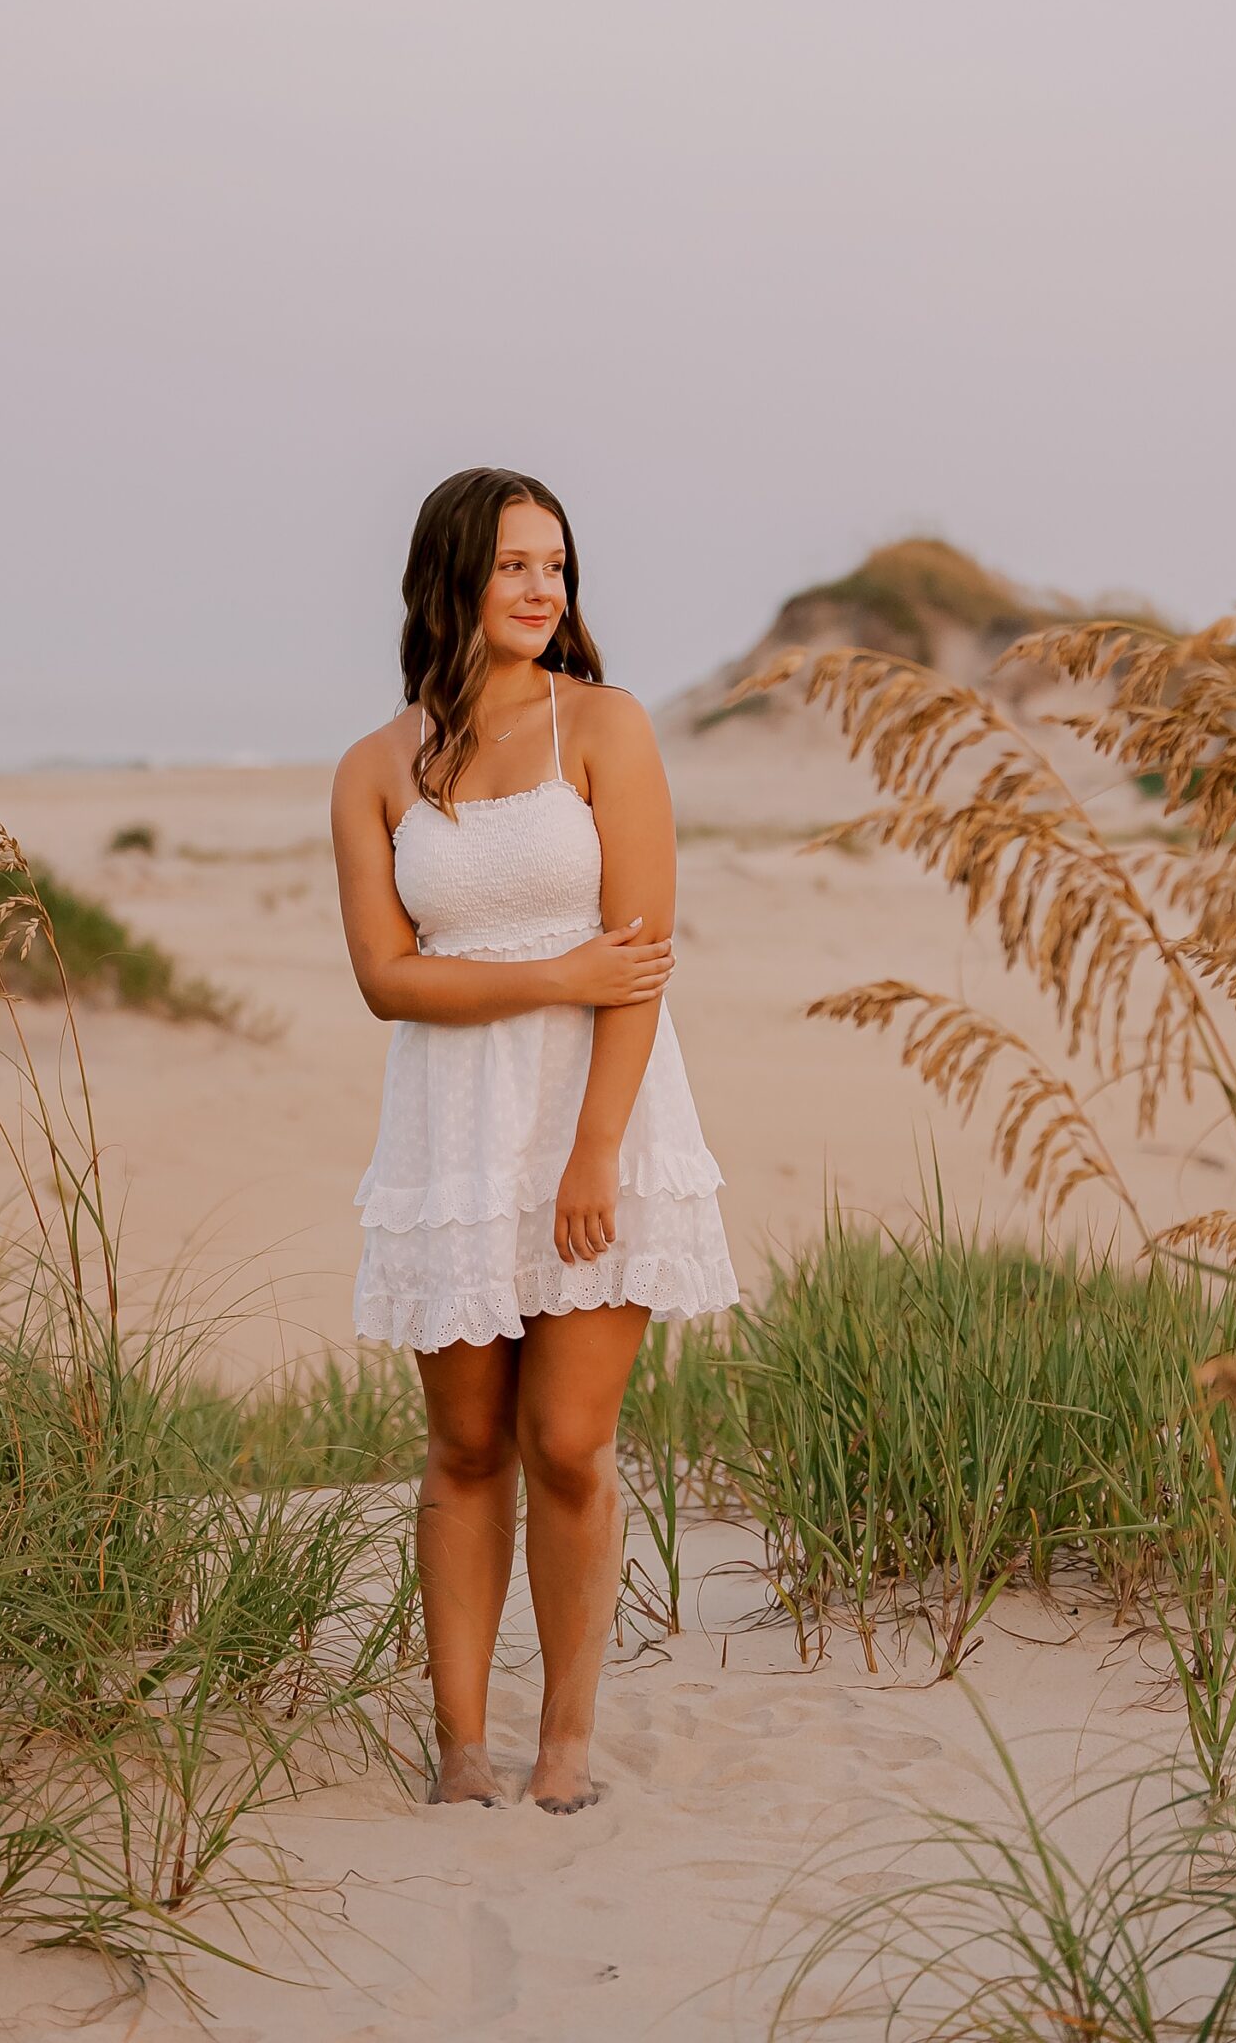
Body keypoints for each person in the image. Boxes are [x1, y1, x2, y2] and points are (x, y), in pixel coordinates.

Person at [331, 467, 738, 1810]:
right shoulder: (376, 769)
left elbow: (643, 960)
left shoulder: (606, 729)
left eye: (555, 567)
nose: (541, 589)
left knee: (565, 1439)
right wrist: (555, 976)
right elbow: (388, 979)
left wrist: (593, 1151)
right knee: (461, 1448)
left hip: (592, 1118)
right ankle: (462, 1746)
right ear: (450, 577)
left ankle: (564, 1736)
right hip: (449, 1128)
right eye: (514, 565)